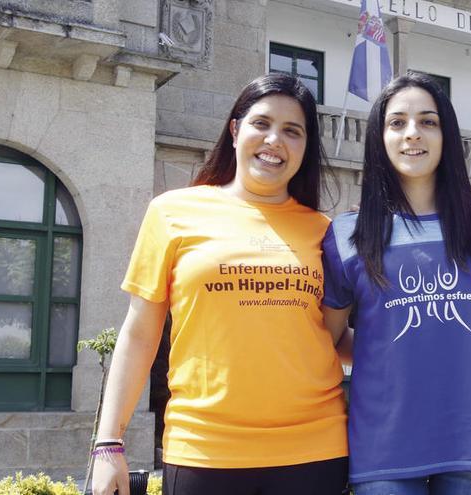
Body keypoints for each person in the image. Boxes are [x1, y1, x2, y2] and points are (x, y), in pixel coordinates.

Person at [90, 73, 348, 495]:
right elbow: (139, 334)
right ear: (235, 129)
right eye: (261, 124)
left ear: (305, 146)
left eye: (292, 131)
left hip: (314, 449)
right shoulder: (172, 212)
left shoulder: (326, 232)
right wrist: (108, 443)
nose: (274, 141)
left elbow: (332, 334)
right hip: (204, 450)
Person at [321, 73, 471, 495]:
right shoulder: (347, 233)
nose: (412, 134)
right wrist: (387, 344)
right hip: (384, 448)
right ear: (379, 137)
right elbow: (330, 337)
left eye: (428, 121)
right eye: (397, 122)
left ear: (446, 134)